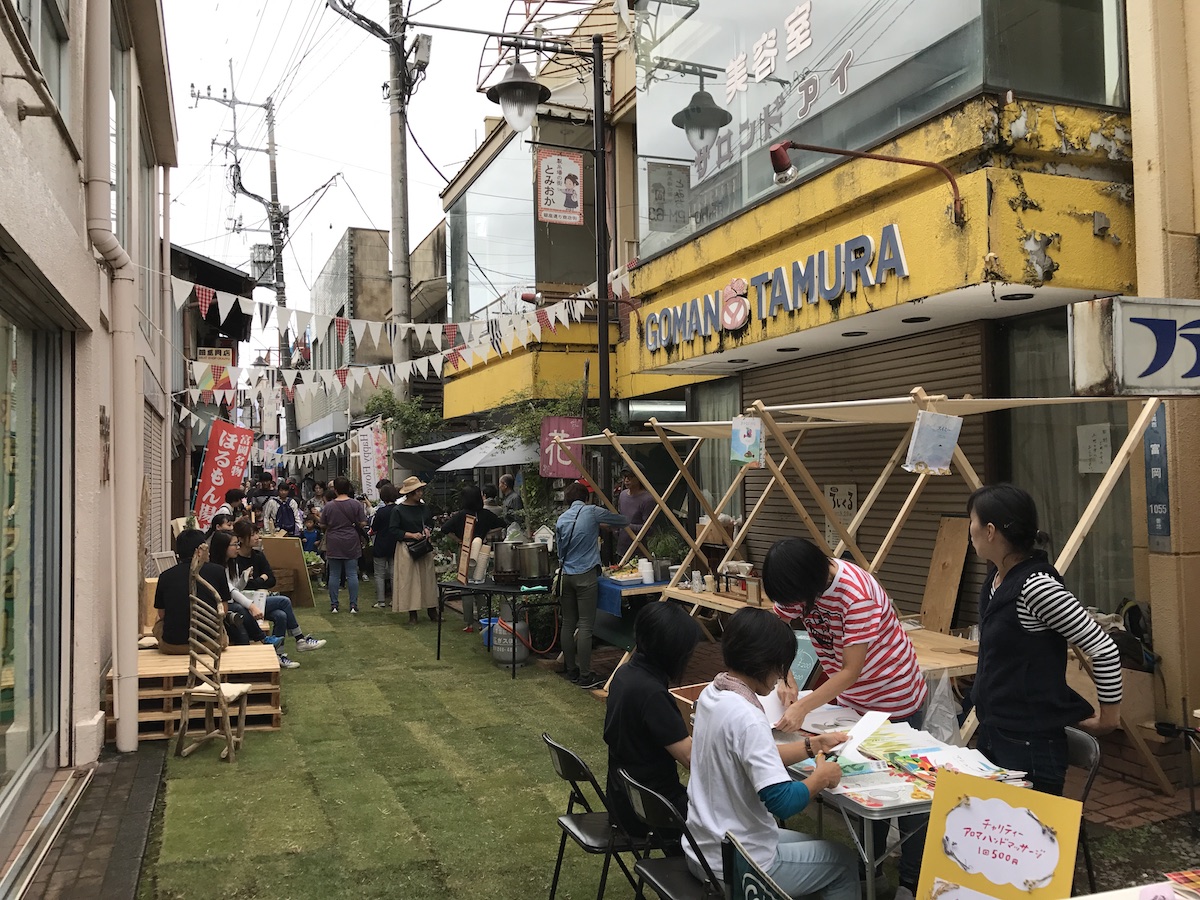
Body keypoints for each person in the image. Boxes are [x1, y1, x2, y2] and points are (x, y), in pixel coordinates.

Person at [762, 537, 928, 899]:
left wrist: (803, 705)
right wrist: (785, 676)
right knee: (867, 786)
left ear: (810, 583)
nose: (791, 607)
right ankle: (873, 871)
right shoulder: (800, 584)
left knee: (906, 793)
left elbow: (851, 670)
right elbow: (777, 632)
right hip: (853, 705)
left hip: (896, 698)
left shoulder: (856, 595)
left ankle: (912, 883)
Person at [685, 608, 856, 898]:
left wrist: (811, 745)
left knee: (810, 844)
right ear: (765, 663)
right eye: (780, 668)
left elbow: (749, 756)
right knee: (843, 862)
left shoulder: (713, 694)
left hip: (702, 846)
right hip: (736, 865)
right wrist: (822, 777)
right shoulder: (748, 716)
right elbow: (782, 802)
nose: (780, 677)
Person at [967, 483, 1121, 795]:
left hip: (1030, 744)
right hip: (996, 732)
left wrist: (1109, 718)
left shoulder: (1036, 586)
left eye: (972, 521)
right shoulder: (997, 579)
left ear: (990, 530)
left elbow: (1103, 648)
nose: (969, 529)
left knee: (1027, 838)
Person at [604, 602, 702, 837]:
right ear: (672, 652)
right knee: (735, 823)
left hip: (623, 800)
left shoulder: (625, 674)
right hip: (654, 811)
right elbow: (692, 759)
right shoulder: (652, 694)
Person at [554, 482, 628, 690]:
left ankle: (571, 670)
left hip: (566, 575)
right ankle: (586, 675)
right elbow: (621, 521)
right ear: (586, 498)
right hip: (586, 575)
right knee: (586, 625)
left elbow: (559, 551)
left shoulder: (562, 518)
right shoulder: (592, 511)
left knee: (568, 623)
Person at [230, 520, 326, 666]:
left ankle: (279, 655)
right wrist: (260, 579)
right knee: (284, 601)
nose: (257, 537)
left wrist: (256, 581)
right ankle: (300, 639)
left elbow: (272, 579)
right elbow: (242, 585)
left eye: (257, 533)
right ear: (241, 539)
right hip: (246, 603)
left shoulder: (258, 556)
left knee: (281, 615)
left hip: (260, 599)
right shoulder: (234, 560)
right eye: (253, 534)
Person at [153, 529, 212, 654]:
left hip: (173, 646)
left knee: (158, 623)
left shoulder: (165, 576)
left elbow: (162, 614)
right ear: (199, 551)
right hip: (211, 644)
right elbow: (223, 608)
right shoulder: (218, 571)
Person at [389, 476, 438, 624]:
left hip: (423, 546)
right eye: (418, 491)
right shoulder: (398, 510)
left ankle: (432, 611)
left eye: (421, 490)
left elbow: (430, 521)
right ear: (410, 493)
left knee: (427, 580)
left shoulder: (423, 507)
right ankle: (413, 613)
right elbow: (393, 530)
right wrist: (411, 535)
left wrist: (428, 530)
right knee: (409, 581)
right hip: (406, 548)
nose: (421, 493)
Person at [320, 477, 368, 614]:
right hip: (351, 539)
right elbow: (363, 523)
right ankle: (353, 605)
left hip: (334, 539)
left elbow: (322, 524)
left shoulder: (329, 506)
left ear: (334, 489)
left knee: (334, 574)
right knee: (352, 573)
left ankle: (334, 605)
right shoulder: (356, 504)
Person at [616, 465, 657, 557]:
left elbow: (649, 529)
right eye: (624, 477)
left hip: (639, 551)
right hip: (621, 550)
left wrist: (627, 526)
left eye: (630, 477)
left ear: (639, 478)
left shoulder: (647, 499)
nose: (626, 480)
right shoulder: (622, 495)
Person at [370, 483, 400, 609]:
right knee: (394, 573)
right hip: (395, 544)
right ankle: (395, 599)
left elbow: (374, 528)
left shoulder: (381, 512)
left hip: (381, 544)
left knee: (379, 574)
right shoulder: (399, 509)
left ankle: (381, 601)